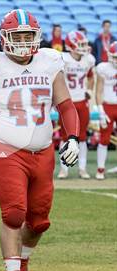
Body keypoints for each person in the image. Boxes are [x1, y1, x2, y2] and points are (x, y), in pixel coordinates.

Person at [0, 9, 80, 271]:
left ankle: (23, 262)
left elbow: (65, 104)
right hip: (5, 148)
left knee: (39, 221)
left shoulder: (50, 62)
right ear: (5, 38)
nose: (24, 42)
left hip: (43, 150)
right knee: (14, 213)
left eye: (29, 36)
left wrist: (73, 137)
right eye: (18, 36)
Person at [57, 31, 95, 179]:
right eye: (81, 44)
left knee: (83, 136)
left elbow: (91, 77)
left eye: (84, 44)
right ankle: (64, 169)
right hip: (67, 101)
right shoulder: (63, 59)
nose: (84, 47)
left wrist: (89, 90)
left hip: (81, 101)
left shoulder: (89, 60)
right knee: (65, 136)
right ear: (71, 45)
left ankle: (82, 168)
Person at [95, 41, 117, 180]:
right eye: (115, 57)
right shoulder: (103, 68)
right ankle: (100, 169)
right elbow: (98, 91)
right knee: (104, 138)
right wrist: (101, 110)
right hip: (108, 105)